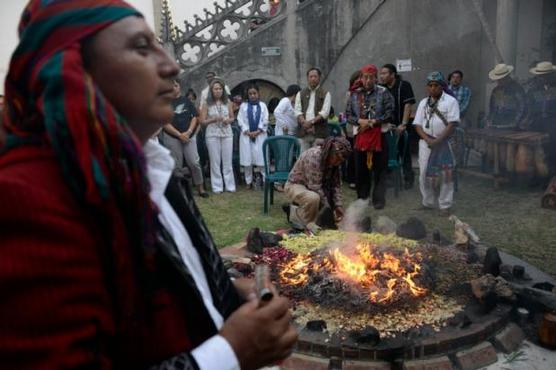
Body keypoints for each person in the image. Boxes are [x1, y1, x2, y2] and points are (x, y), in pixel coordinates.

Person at [0, 2, 297, 369]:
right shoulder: (24, 200)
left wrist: (226, 293)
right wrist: (230, 353)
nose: (172, 67)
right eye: (142, 47)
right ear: (77, 70)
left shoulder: (146, 166)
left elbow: (165, 288)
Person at [346, 64, 394, 209]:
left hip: (379, 136)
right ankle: (362, 198)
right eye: (365, 77)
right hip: (360, 136)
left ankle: (378, 200)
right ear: (361, 78)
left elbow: (390, 113)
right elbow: (348, 115)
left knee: (380, 170)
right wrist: (360, 121)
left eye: (371, 77)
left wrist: (372, 122)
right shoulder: (355, 94)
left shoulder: (384, 92)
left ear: (375, 78)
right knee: (361, 169)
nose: (367, 80)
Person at [414, 72, 460, 215]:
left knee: (446, 174)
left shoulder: (451, 101)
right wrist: (428, 140)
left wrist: (437, 141)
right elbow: (417, 125)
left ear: (442, 86)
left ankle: (445, 205)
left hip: (445, 142)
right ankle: (427, 202)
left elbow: (452, 124)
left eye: (436, 85)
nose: (433, 88)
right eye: (430, 85)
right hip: (426, 142)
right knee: (423, 174)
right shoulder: (423, 103)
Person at [284, 137, 352, 230]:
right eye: (337, 159)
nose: (338, 163)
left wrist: (338, 205)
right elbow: (315, 187)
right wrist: (329, 210)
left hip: (316, 186)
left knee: (324, 204)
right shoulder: (314, 157)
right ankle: (306, 226)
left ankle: (297, 213)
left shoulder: (335, 162)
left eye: (341, 161)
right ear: (330, 153)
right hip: (296, 184)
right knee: (314, 198)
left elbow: (336, 185)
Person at [161, 80, 208, 198]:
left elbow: (194, 118)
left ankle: (200, 188)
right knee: (176, 165)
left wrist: (189, 132)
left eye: (175, 85)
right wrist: (178, 134)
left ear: (179, 87)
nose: (173, 88)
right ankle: (180, 191)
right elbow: (165, 122)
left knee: (194, 163)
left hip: (189, 137)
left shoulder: (187, 101)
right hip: (172, 137)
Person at [380, 63, 416, 189]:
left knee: (404, 152)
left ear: (392, 74)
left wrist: (403, 124)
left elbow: (408, 106)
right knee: (388, 152)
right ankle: (390, 179)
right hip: (387, 127)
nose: (382, 76)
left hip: (401, 125)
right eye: (381, 74)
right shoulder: (381, 88)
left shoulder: (404, 86)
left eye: (384, 73)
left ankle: (408, 178)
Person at [200, 78, 237, 193]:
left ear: (223, 90)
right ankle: (217, 187)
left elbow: (232, 117)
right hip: (212, 134)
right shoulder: (206, 103)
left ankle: (230, 186)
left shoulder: (228, 102)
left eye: (220, 89)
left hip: (226, 133)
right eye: (215, 89)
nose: (218, 91)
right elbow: (202, 121)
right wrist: (213, 119)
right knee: (215, 161)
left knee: (227, 161)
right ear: (211, 90)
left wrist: (228, 120)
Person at [526, 61, 556, 176]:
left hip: (553, 120)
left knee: (552, 147)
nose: (543, 78)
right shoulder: (534, 87)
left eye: (546, 75)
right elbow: (530, 104)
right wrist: (528, 118)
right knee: (535, 148)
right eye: (541, 75)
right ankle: (536, 175)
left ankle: (551, 176)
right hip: (537, 120)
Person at [237, 84, 269, 189]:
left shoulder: (263, 105)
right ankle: (248, 182)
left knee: (262, 159)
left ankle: (265, 180)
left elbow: (265, 119)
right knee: (247, 160)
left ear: (258, 93)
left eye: (254, 93)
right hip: (247, 136)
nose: (252, 95)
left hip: (260, 135)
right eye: (250, 94)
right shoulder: (243, 106)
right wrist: (247, 131)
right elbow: (240, 120)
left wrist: (258, 131)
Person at [294, 67, 332, 152]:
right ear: (307, 78)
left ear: (319, 78)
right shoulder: (300, 93)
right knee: (304, 158)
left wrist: (311, 123)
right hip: (304, 133)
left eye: (315, 76)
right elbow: (297, 111)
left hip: (319, 134)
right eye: (311, 76)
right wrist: (304, 123)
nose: (313, 79)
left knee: (317, 160)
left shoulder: (326, 93)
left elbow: (325, 113)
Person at [486, 63, 527, 129]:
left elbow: (523, 107)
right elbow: (492, 108)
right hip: (497, 124)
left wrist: (516, 122)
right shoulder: (495, 90)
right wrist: (489, 121)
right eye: (497, 79)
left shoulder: (517, 89)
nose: (498, 81)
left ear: (506, 77)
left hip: (512, 126)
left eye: (500, 79)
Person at [344, 70, 362, 189]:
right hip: (352, 127)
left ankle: (360, 178)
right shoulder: (349, 94)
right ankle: (351, 178)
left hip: (363, 128)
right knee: (352, 154)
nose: (359, 80)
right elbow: (348, 111)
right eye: (357, 78)